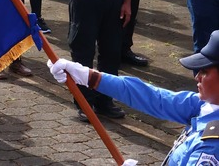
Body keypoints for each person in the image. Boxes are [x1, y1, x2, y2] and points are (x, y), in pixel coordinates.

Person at [49, 29, 219, 165]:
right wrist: (88, 76)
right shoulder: (205, 106)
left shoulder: (211, 146)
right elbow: (153, 97)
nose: (197, 77)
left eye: (204, 71)